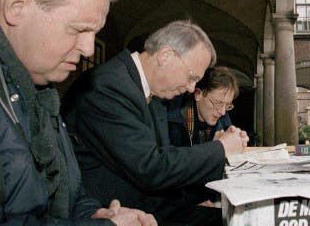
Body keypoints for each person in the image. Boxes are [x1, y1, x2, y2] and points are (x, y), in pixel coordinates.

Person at [0, 0, 156, 225]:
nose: (87, 49)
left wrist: (94, 214)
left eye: (94, 34)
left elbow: (69, 193)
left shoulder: (41, 91)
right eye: (78, 29)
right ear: (16, 7)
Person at [62, 20, 249, 225]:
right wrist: (220, 149)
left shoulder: (153, 93)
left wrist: (195, 196)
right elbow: (151, 167)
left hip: (153, 206)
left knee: (243, 219)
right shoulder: (109, 86)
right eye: (191, 77)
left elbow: (165, 159)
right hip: (115, 213)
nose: (191, 88)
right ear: (165, 56)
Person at [168, 66, 239, 147]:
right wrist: (214, 149)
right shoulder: (172, 122)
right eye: (218, 103)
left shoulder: (223, 121)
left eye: (227, 105)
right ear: (198, 94)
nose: (222, 112)